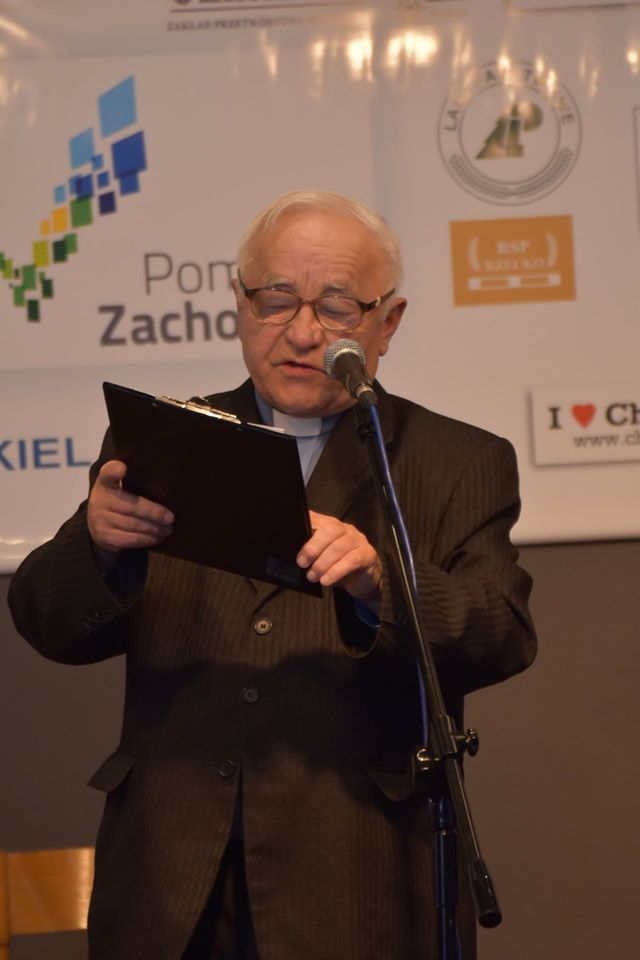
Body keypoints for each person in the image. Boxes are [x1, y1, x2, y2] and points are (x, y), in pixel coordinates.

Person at [8, 190, 536, 960]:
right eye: (277, 299)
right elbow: (45, 620)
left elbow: (502, 632)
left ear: (387, 322)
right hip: (168, 879)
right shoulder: (161, 438)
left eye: (337, 306)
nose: (302, 331)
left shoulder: (457, 461)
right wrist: (97, 545)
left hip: (352, 876)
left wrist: (381, 583)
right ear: (239, 302)